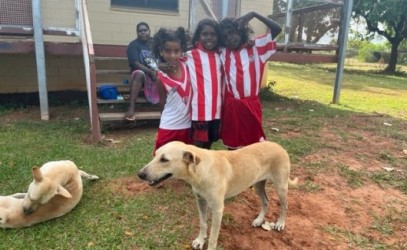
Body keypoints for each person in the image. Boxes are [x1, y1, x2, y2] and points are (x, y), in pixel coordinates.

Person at [219, 11, 282, 149]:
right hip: (232, 105)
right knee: (232, 145)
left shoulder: (256, 47)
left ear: (241, 30)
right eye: (225, 36)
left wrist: (254, 14)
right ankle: (234, 170)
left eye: (231, 33)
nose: (229, 38)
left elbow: (277, 29)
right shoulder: (223, 51)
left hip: (250, 104)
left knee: (254, 146)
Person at [185, 18, 224, 149]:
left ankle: (204, 168)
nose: (209, 38)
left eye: (213, 34)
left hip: (217, 109)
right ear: (199, 36)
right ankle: (193, 169)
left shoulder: (221, 55)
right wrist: (162, 65)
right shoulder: (189, 55)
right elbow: (171, 59)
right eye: (205, 34)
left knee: (210, 142)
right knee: (197, 144)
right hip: (199, 109)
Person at [152, 27, 192, 153]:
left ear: (182, 51)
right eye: (168, 51)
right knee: (162, 160)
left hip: (188, 126)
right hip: (169, 126)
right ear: (161, 51)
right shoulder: (161, 77)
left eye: (177, 51)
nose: (173, 55)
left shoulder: (188, 64)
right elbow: (162, 103)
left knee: (185, 163)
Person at [125, 22, 160, 121]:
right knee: (139, 74)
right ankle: (131, 107)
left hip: (156, 71)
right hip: (142, 73)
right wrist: (149, 71)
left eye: (145, 30)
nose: (143, 32)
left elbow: (163, 56)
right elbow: (135, 63)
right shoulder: (133, 45)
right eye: (140, 31)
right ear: (137, 33)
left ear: (149, 31)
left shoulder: (156, 43)